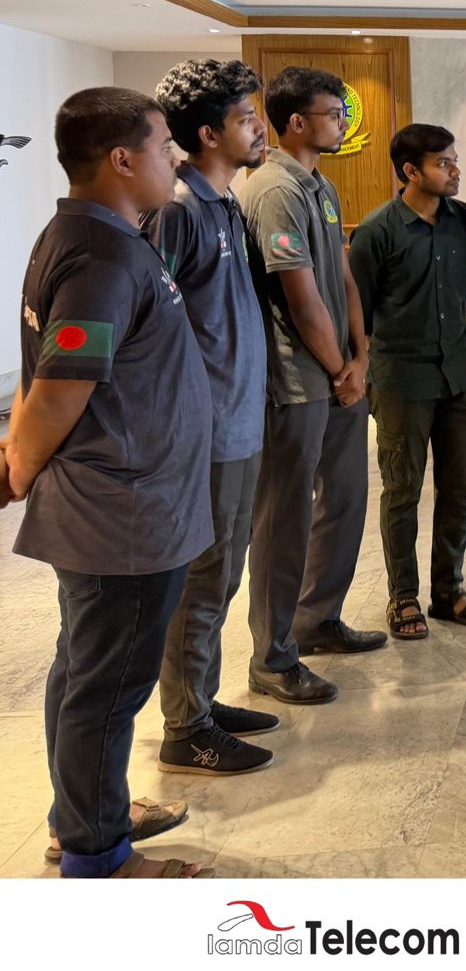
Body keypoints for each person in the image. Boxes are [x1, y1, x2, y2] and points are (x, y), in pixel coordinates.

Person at [5, 88, 215, 877]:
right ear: (122, 159)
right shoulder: (100, 255)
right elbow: (59, 388)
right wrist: (17, 468)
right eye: (164, 147)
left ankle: (84, 812)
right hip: (120, 514)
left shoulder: (102, 236)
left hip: (127, 503)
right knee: (107, 685)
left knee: (84, 670)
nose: (176, 160)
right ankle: (97, 854)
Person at [142, 59, 279, 775]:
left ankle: (201, 698)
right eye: (246, 119)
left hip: (240, 421)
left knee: (223, 574)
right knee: (203, 579)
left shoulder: (224, 203)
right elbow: (146, 322)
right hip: (207, 430)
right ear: (207, 134)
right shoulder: (177, 211)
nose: (259, 129)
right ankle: (185, 726)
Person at [236, 66, 385, 706]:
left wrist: (361, 355)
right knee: (284, 519)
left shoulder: (320, 185)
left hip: (338, 373)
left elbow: (342, 278)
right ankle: (272, 656)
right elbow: (299, 298)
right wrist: (336, 368)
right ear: (296, 122)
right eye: (333, 114)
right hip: (296, 382)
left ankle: (317, 618)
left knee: (344, 499)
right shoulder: (274, 189)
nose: (343, 124)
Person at [349, 123, 466, 639]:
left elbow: (463, 292)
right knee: (402, 490)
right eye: (443, 163)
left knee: (460, 487)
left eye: (455, 160)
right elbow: (359, 316)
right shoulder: (376, 232)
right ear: (411, 171)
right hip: (401, 379)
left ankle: (448, 591)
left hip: (459, 373)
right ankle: (403, 596)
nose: (456, 171)